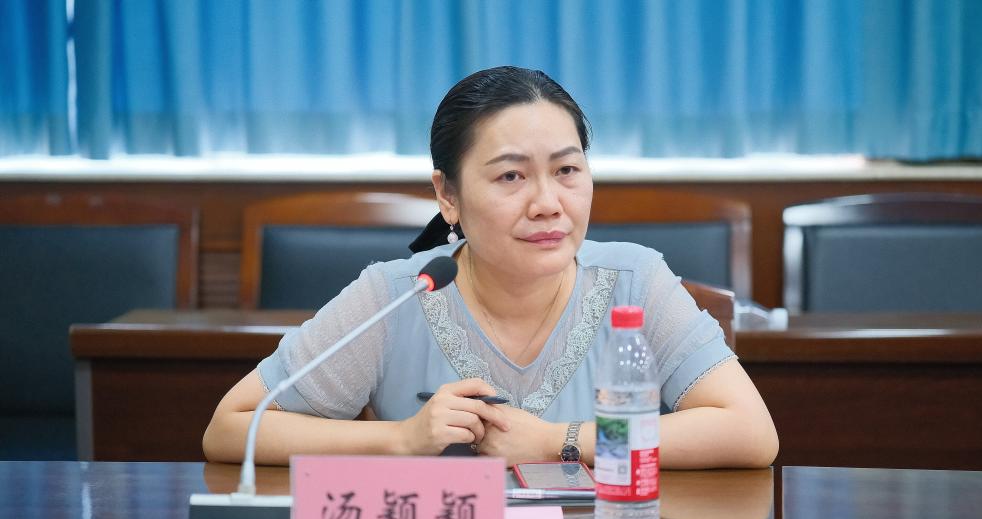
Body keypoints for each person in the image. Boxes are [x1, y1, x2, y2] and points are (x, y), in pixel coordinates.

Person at [203, 66, 778, 469]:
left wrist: (561, 440)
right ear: (447, 195)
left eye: (567, 170)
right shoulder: (397, 295)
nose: (548, 202)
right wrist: (401, 440)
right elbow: (230, 427)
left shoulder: (635, 282)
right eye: (510, 176)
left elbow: (750, 431)